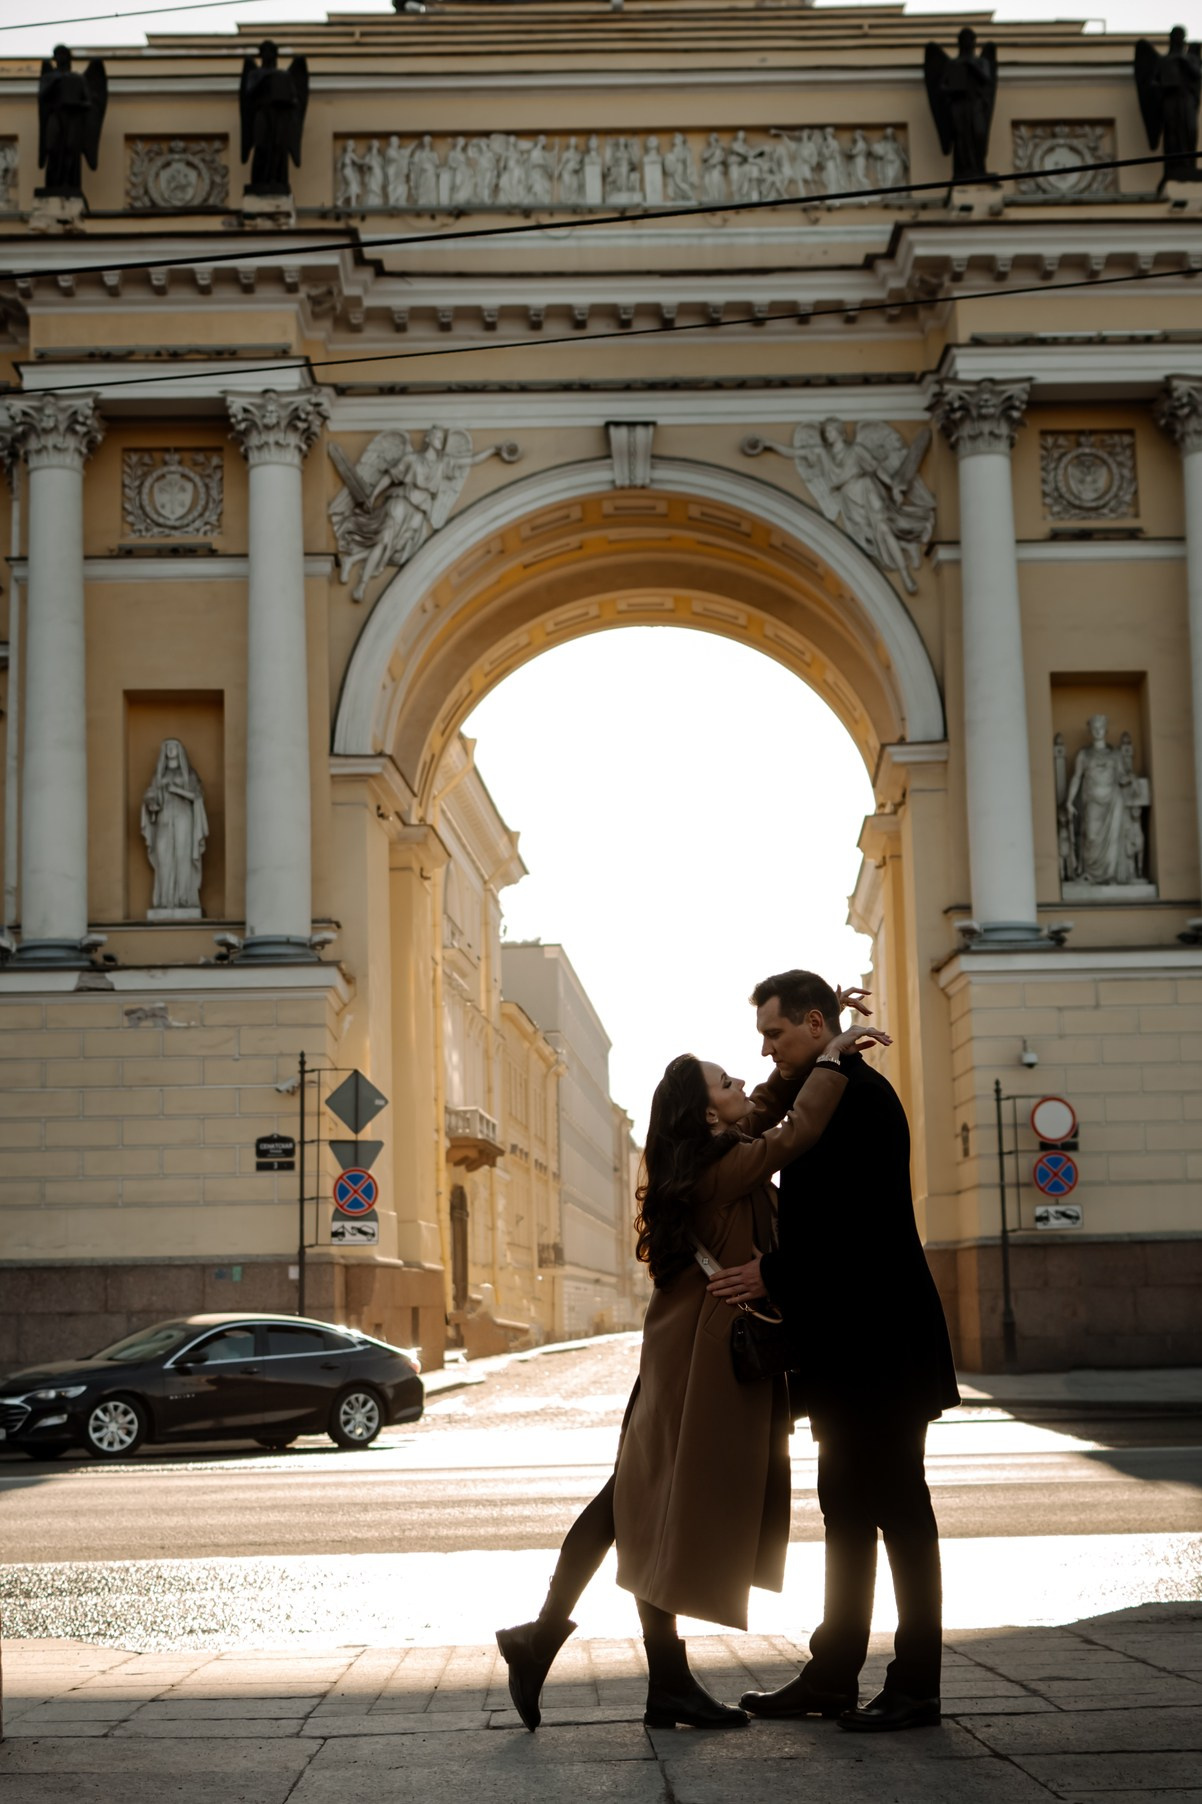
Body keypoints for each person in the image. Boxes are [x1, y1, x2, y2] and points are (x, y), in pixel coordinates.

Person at [496, 1011, 889, 1732]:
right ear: (706, 1110)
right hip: (695, 1359)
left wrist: (814, 1037)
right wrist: (830, 1056)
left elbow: (775, 1107)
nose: (743, 1077)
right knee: (645, 1504)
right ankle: (607, 1659)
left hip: (684, 1349)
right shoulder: (717, 1167)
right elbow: (797, 1130)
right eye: (724, 1080)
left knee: (634, 1503)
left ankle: (594, 1654)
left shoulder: (712, 1154)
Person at [708, 969, 959, 1733]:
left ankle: (915, 1684)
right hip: (847, 1347)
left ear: (813, 1025)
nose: (764, 1049)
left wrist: (772, 1272)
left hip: (884, 1344)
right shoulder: (827, 1078)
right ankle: (832, 1673)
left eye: (775, 1033)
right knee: (848, 1510)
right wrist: (825, 1046)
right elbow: (768, 1115)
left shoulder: (855, 1095)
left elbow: (860, 1225)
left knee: (900, 1513)